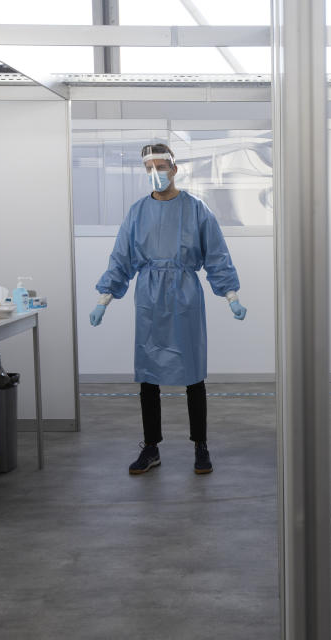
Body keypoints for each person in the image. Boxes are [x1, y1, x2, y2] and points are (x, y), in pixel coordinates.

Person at [89, 143, 247, 476]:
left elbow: (216, 253)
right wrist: (104, 298)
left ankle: (200, 446)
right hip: (148, 297)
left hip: (186, 296)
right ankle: (150, 447)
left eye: (161, 167)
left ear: (175, 169)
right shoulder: (137, 212)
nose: (156, 174)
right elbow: (121, 258)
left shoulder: (196, 209)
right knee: (148, 374)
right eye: (150, 169)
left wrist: (230, 294)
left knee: (193, 374)